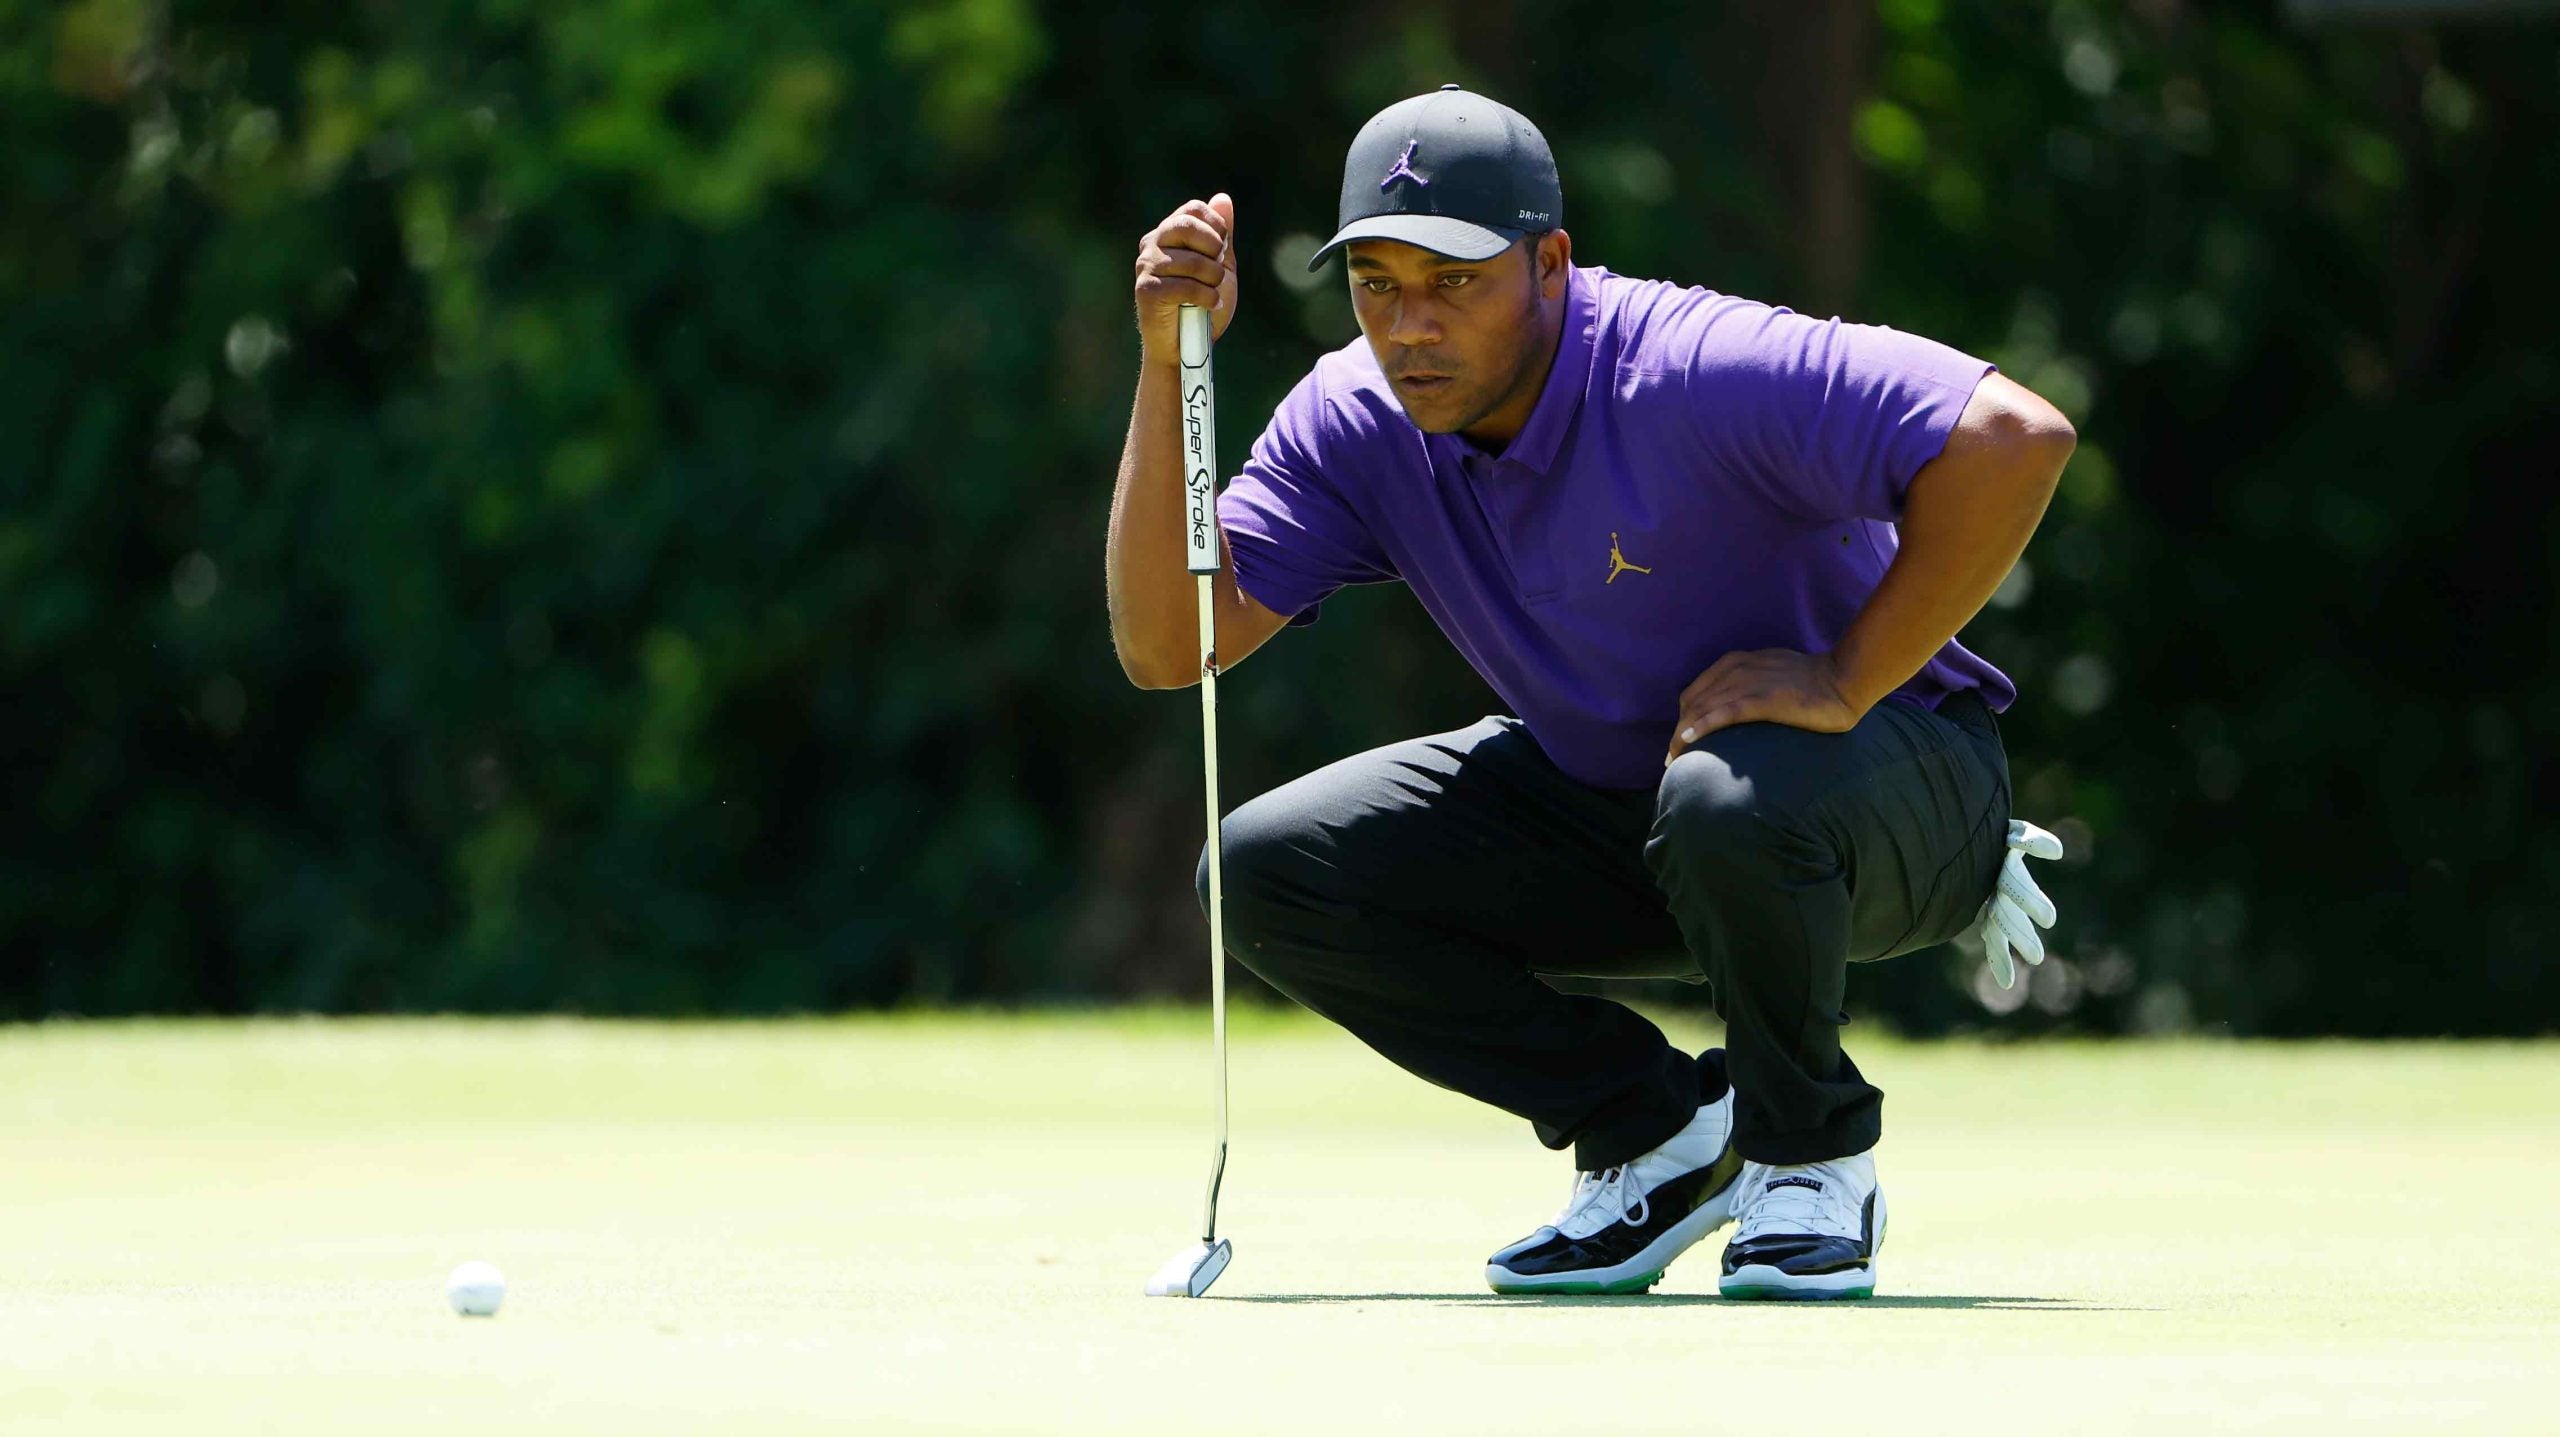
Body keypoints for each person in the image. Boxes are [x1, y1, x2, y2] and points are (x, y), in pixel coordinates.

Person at [1105, 86, 2072, 1300]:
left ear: (1550, 263)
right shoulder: (1356, 418)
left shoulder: (1692, 364)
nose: (1410, 327)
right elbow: (1169, 643)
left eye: (1455, 282)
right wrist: (1166, 366)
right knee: (1264, 873)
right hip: (1638, 804)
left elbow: (2012, 436)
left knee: (1727, 799)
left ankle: (1809, 1157)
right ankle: (1654, 1129)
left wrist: (1842, 678)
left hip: (1897, 783)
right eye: (1376, 284)